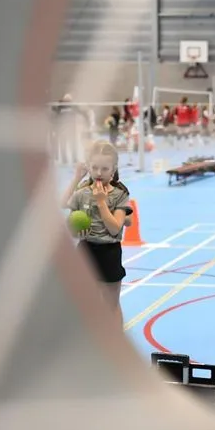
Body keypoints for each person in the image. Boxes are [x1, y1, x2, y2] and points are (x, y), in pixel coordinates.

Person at [62, 140, 134, 327]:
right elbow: (64, 205)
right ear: (89, 167)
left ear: (113, 169)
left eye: (105, 168)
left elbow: (114, 228)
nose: (99, 173)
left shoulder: (119, 194)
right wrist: (77, 177)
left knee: (111, 305)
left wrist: (101, 202)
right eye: (95, 167)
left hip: (109, 252)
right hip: (85, 250)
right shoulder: (83, 191)